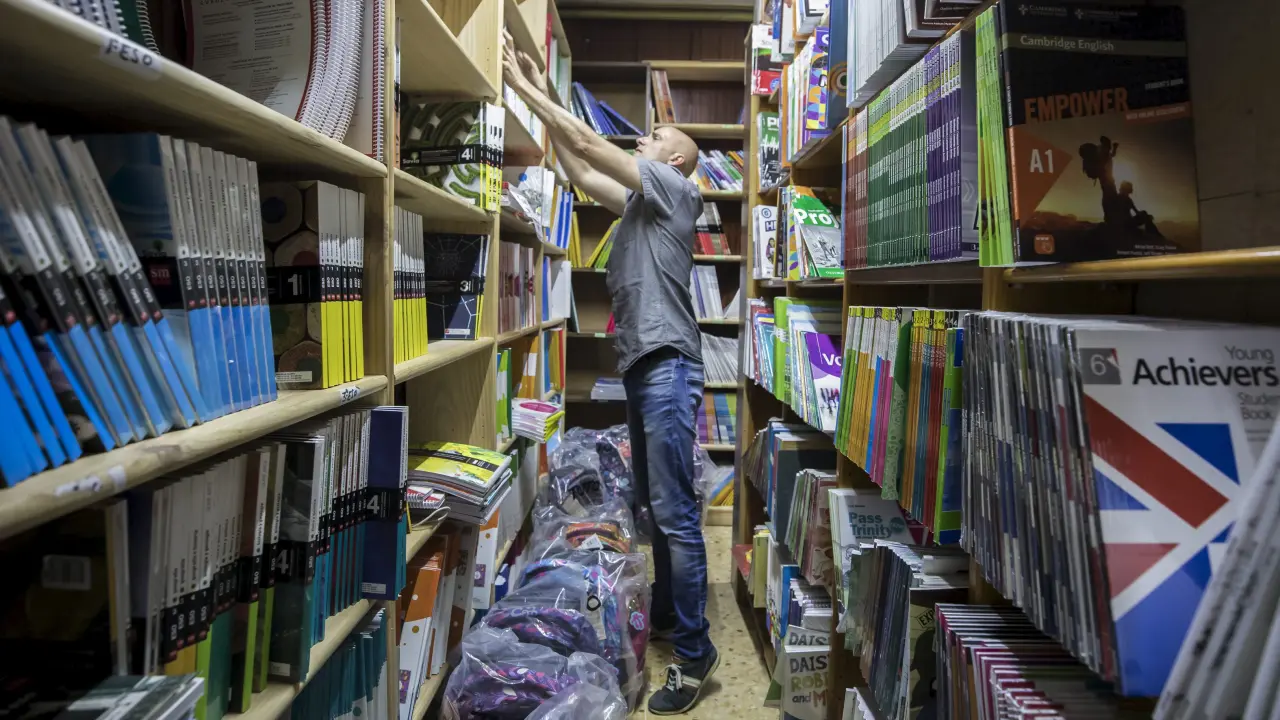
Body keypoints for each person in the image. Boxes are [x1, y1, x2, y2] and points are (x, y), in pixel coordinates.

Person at [501, 32, 718, 715]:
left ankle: (695, 657)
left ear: (673, 160)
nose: (642, 139)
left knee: (675, 517)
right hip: (646, 369)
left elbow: (593, 147)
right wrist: (542, 87)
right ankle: (669, 618)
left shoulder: (675, 190)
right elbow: (576, 163)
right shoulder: (640, 206)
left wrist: (525, 87)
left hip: (667, 367)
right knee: (658, 509)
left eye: (654, 136)